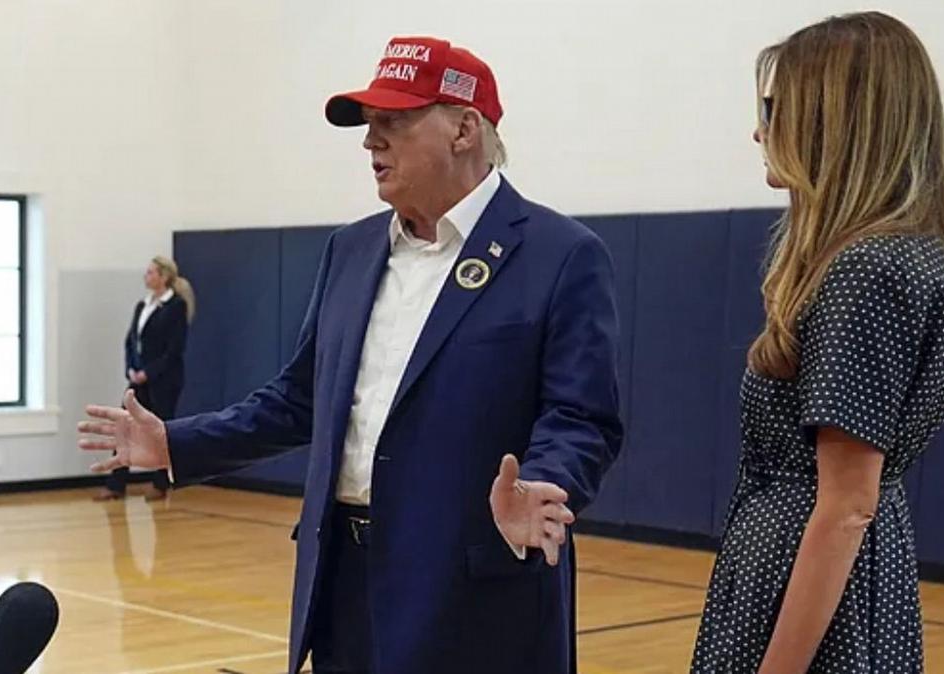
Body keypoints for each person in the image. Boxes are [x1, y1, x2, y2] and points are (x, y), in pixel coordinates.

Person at [78, 36, 622, 674]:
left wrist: (542, 485)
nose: (371, 142)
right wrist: (177, 442)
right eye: (369, 125)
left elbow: (581, 417)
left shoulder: (561, 255)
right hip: (343, 582)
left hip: (477, 584)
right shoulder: (352, 250)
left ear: (465, 129)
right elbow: (299, 399)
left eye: (394, 122)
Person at [691, 12, 944, 674]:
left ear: (837, 118)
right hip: (834, 569)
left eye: (776, 109)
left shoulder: (868, 269)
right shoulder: (905, 256)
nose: (759, 130)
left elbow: (846, 506)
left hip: (812, 582)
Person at [94, 255, 194, 502]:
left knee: (160, 431)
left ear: (163, 277)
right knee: (123, 425)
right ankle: (116, 484)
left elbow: (174, 350)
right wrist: (131, 368)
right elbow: (131, 341)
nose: (146, 276)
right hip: (138, 379)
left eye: (150, 272)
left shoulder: (176, 307)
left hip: (163, 380)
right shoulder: (143, 304)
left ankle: (161, 483)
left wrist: (149, 372)